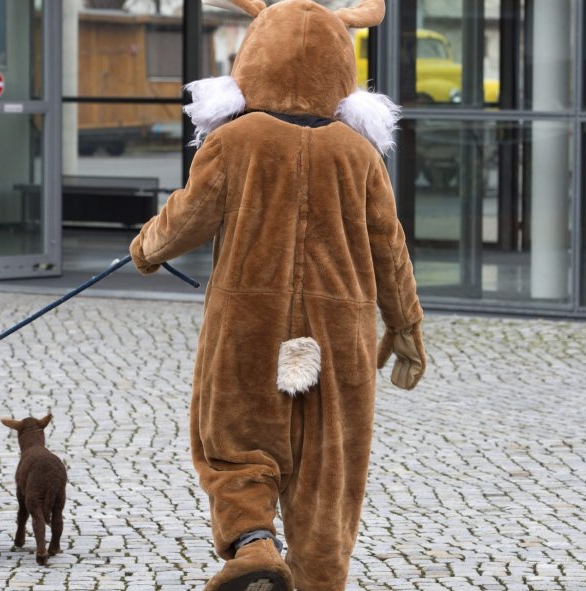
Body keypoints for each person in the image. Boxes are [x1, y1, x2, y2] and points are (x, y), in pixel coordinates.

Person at [129, 1, 425, 590]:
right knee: (328, 472)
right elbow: (390, 251)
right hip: (339, 341)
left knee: (235, 447)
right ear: (342, 68)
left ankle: (254, 544)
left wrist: (145, 250)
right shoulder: (360, 154)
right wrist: (406, 329)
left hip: (248, 326)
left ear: (253, 59)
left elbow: (187, 218)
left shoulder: (235, 141)